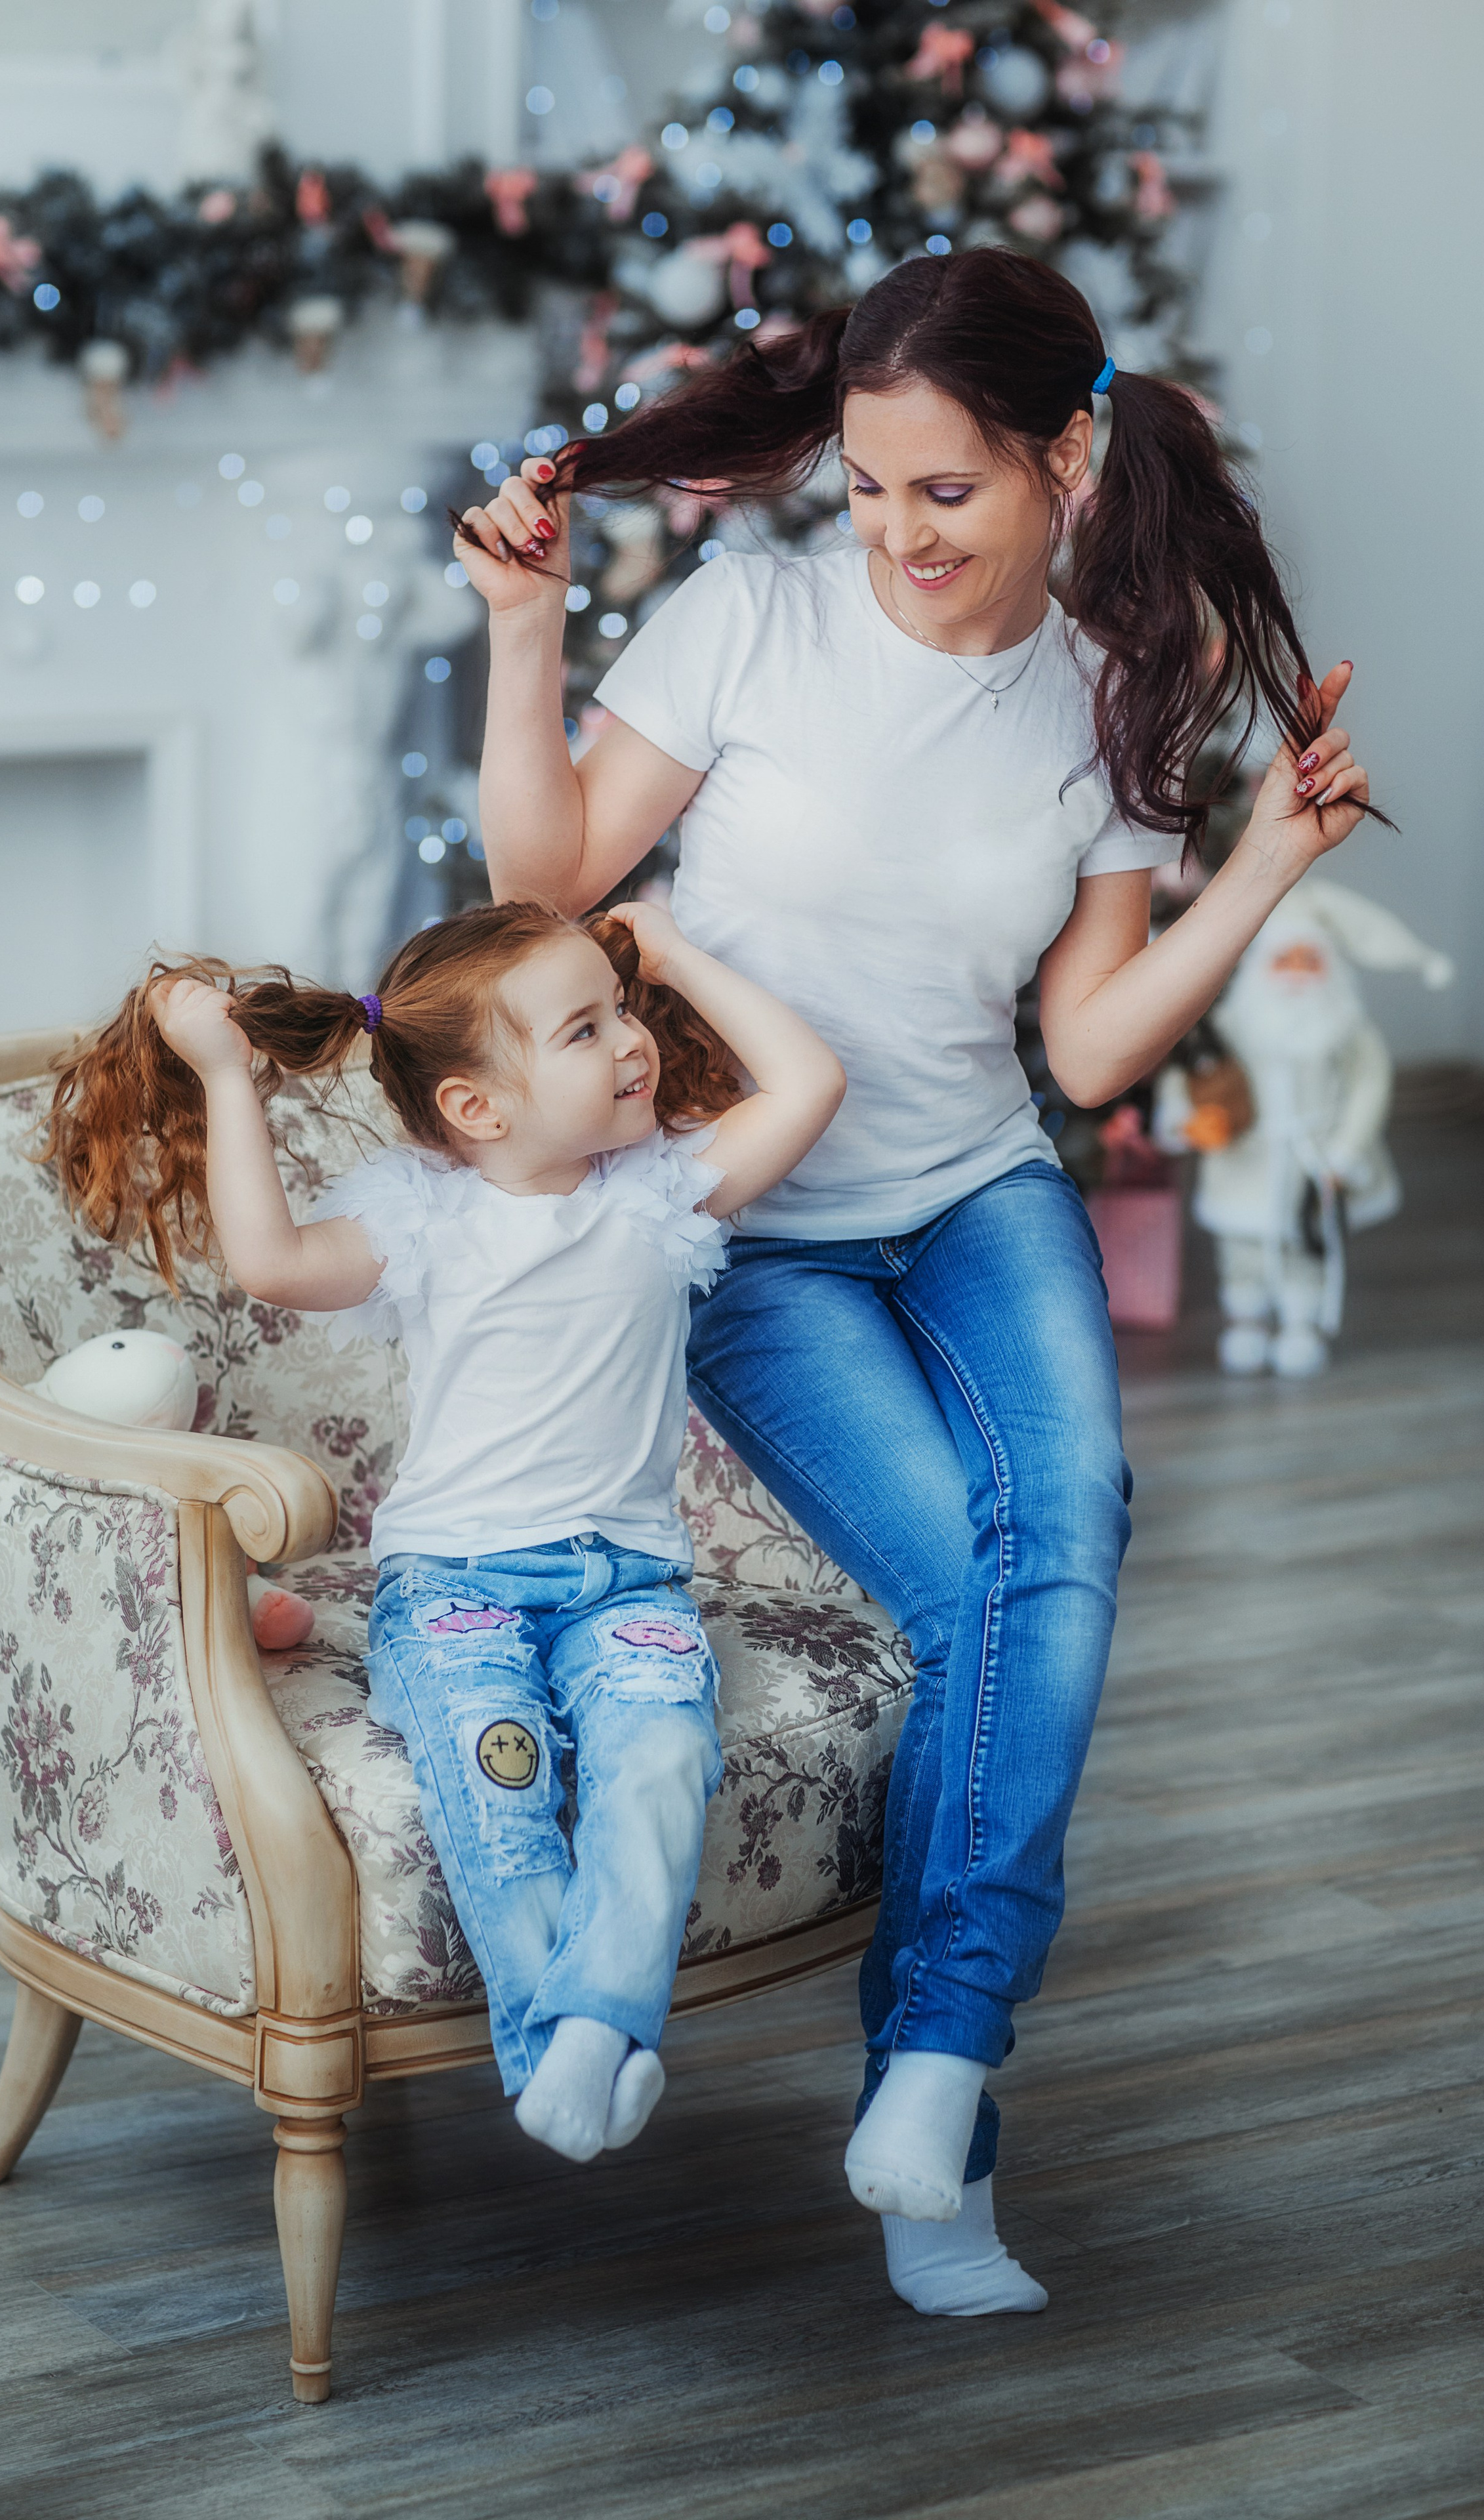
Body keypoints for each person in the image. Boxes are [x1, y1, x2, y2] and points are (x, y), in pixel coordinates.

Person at [453, 245, 1376, 2315]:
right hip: (751, 1222)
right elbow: (544, 889)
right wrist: (526, 632)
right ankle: (949, 2109)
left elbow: (1089, 1051)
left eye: (943, 490)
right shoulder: (752, 620)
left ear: (1066, 459)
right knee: (972, 1584)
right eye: (868, 486)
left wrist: (1266, 863)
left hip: (975, 1186)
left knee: (1075, 1530)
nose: (895, 533)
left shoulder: (1115, 687)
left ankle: (934, 2085)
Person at [42, 899, 844, 2163]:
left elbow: (810, 1080)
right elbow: (269, 1258)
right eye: (589, 1028)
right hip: (457, 1581)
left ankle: (586, 2032)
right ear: (478, 1109)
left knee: (658, 1759)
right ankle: (580, 2041)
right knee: (499, 1774)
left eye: (622, 1011)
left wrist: (677, 954)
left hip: (628, 1582)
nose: (635, 1041)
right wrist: (222, 1076)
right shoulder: (429, 1222)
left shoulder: (661, 1192)